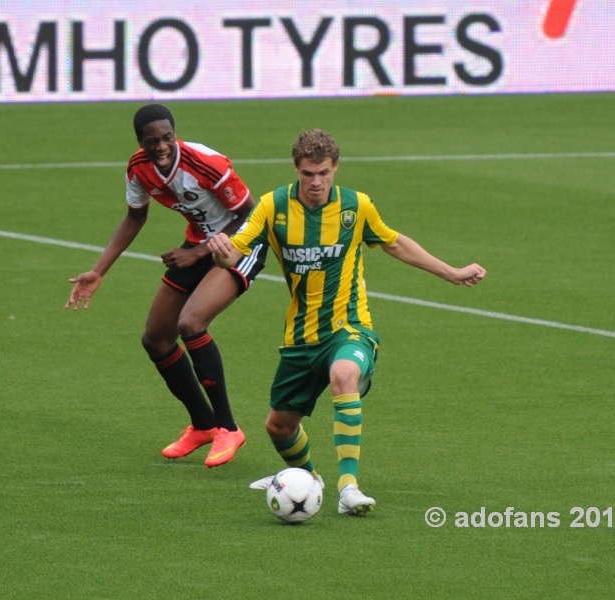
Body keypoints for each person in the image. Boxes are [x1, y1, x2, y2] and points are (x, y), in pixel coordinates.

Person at [208, 129, 486, 513]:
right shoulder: (273, 206)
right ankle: (309, 480)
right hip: (301, 336)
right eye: (308, 174)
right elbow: (233, 252)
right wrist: (220, 252)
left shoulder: (357, 206)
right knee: (278, 428)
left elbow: (393, 242)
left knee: (344, 375)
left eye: (323, 172)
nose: (316, 182)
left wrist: (451, 272)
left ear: (335, 167)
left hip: (349, 326)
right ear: (296, 169)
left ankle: (348, 488)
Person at [65, 104, 267, 467]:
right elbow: (134, 216)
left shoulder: (207, 164)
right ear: (139, 142)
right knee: (156, 338)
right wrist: (99, 271)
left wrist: (202, 251)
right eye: (151, 140)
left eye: (167, 137)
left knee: (190, 323)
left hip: (243, 243)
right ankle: (203, 425)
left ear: (176, 134)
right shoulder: (138, 169)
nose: (161, 146)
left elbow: (251, 214)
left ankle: (228, 428)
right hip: (199, 245)